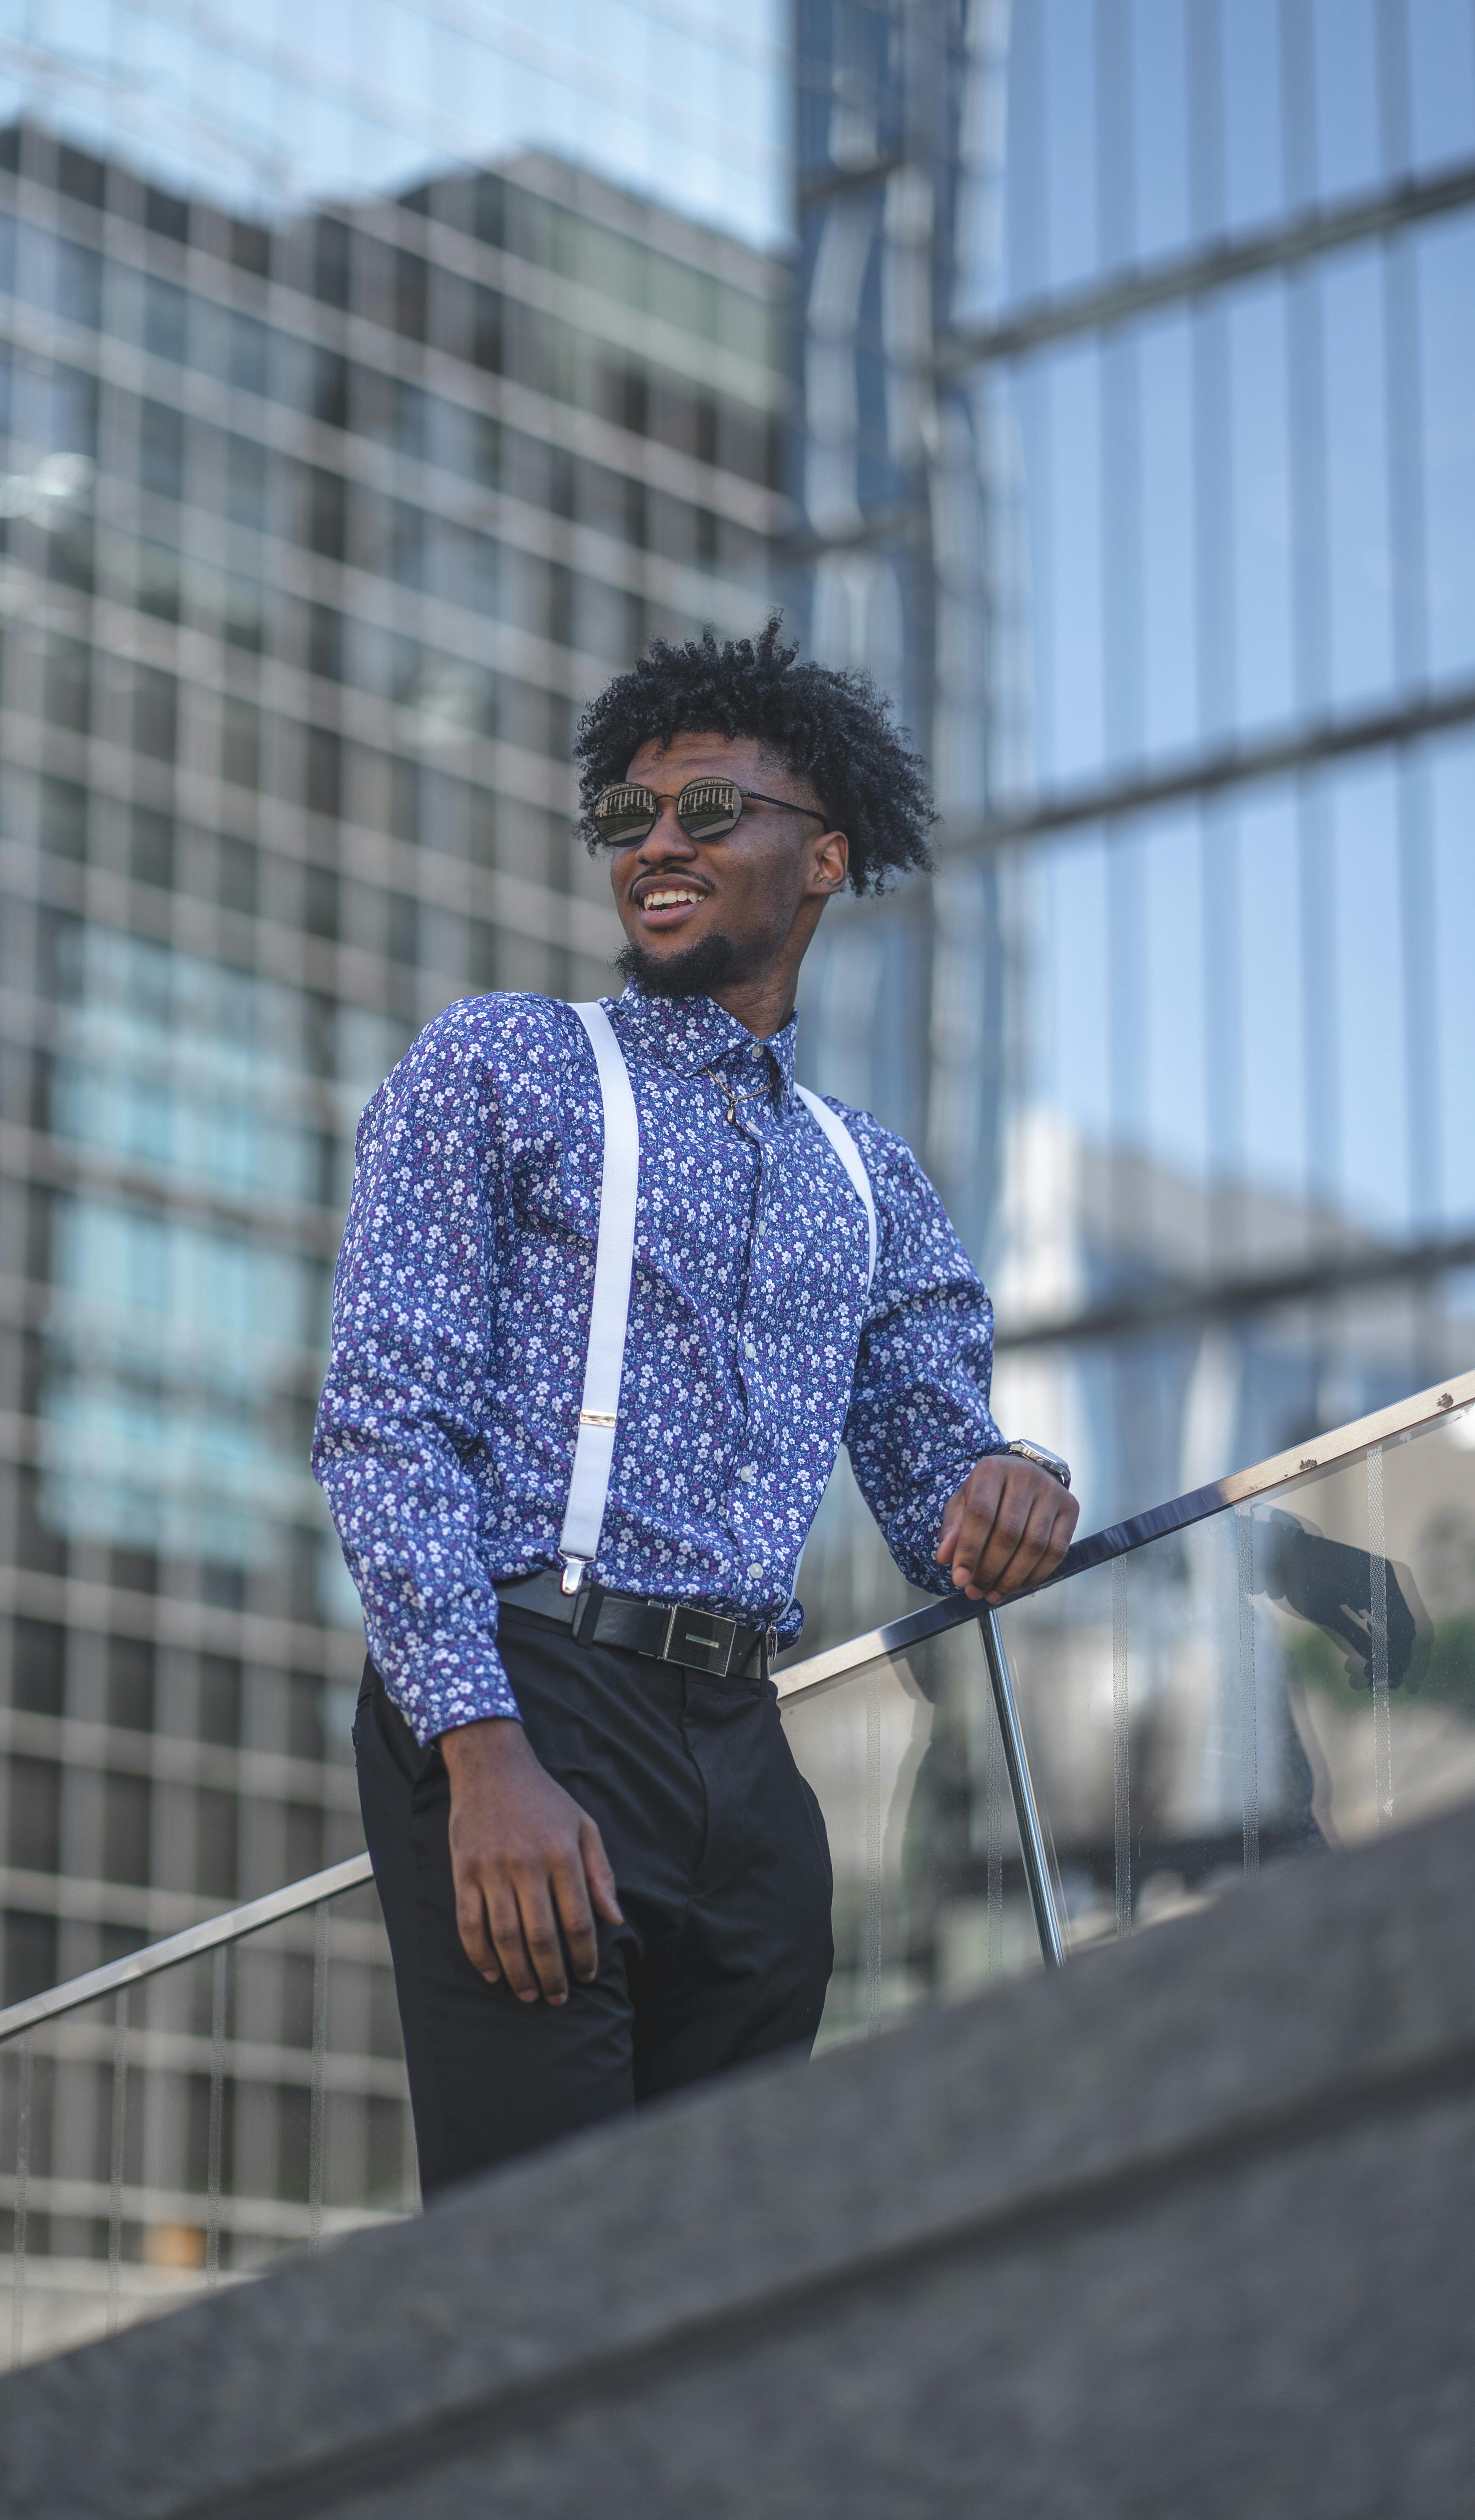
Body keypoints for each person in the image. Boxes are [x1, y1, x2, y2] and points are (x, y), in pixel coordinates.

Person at [313, 619, 1078, 2197]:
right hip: (531, 1693)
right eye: (628, 818)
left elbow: (945, 1484)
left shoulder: (869, 1179)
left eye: (711, 811)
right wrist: (480, 1751)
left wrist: (1016, 1483)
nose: (658, 845)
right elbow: (385, 1417)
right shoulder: (506, 1064)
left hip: (749, 1749)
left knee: (708, 2272)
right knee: (545, 2267)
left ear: (822, 861)